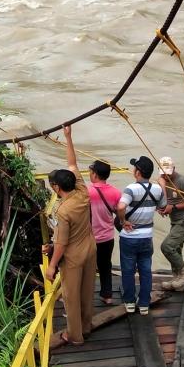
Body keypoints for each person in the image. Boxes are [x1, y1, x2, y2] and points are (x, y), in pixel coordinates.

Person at [44, 125, 97, 346]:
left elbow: (61, 243)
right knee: (86, 290)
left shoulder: (62, 211)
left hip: (73, 255)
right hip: (90, 248)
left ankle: (75, 335)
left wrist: (52, 266)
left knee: (71, 296)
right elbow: (73, 164)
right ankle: (86, 325)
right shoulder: (83, 192)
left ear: (57, 188)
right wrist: (68, 137)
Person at [117, 156, 166, 316]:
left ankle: (130, 302)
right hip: (147, 237)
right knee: (145, 270)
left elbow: (121, 206)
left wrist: (124, 220)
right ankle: (144, 304)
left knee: (128, 270)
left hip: (129, 238)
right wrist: (163, 186)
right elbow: (163, 207)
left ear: (137, 172)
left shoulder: (131, 188)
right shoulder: (157, 189)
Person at [157, 156, 184, 291]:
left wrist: (173, 208)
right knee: (176, 249)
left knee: (167, 247)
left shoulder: (182, 181)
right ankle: (178, 280)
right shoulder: (162, 182)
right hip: (176, 220)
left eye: (168, 172)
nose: (165, 175)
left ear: (174, 168)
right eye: (163, 172)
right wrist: (162, 208)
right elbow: (164, 201)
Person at [87, 159, 122, 305]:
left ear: (94, 174)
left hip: (89, 237)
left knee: (87, 269)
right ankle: (107, 295)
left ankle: (85, 298)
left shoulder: (87, 191)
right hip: (107, 237)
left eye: (90, 171)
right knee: (105, 266)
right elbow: (119, 211)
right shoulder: (116, 192)